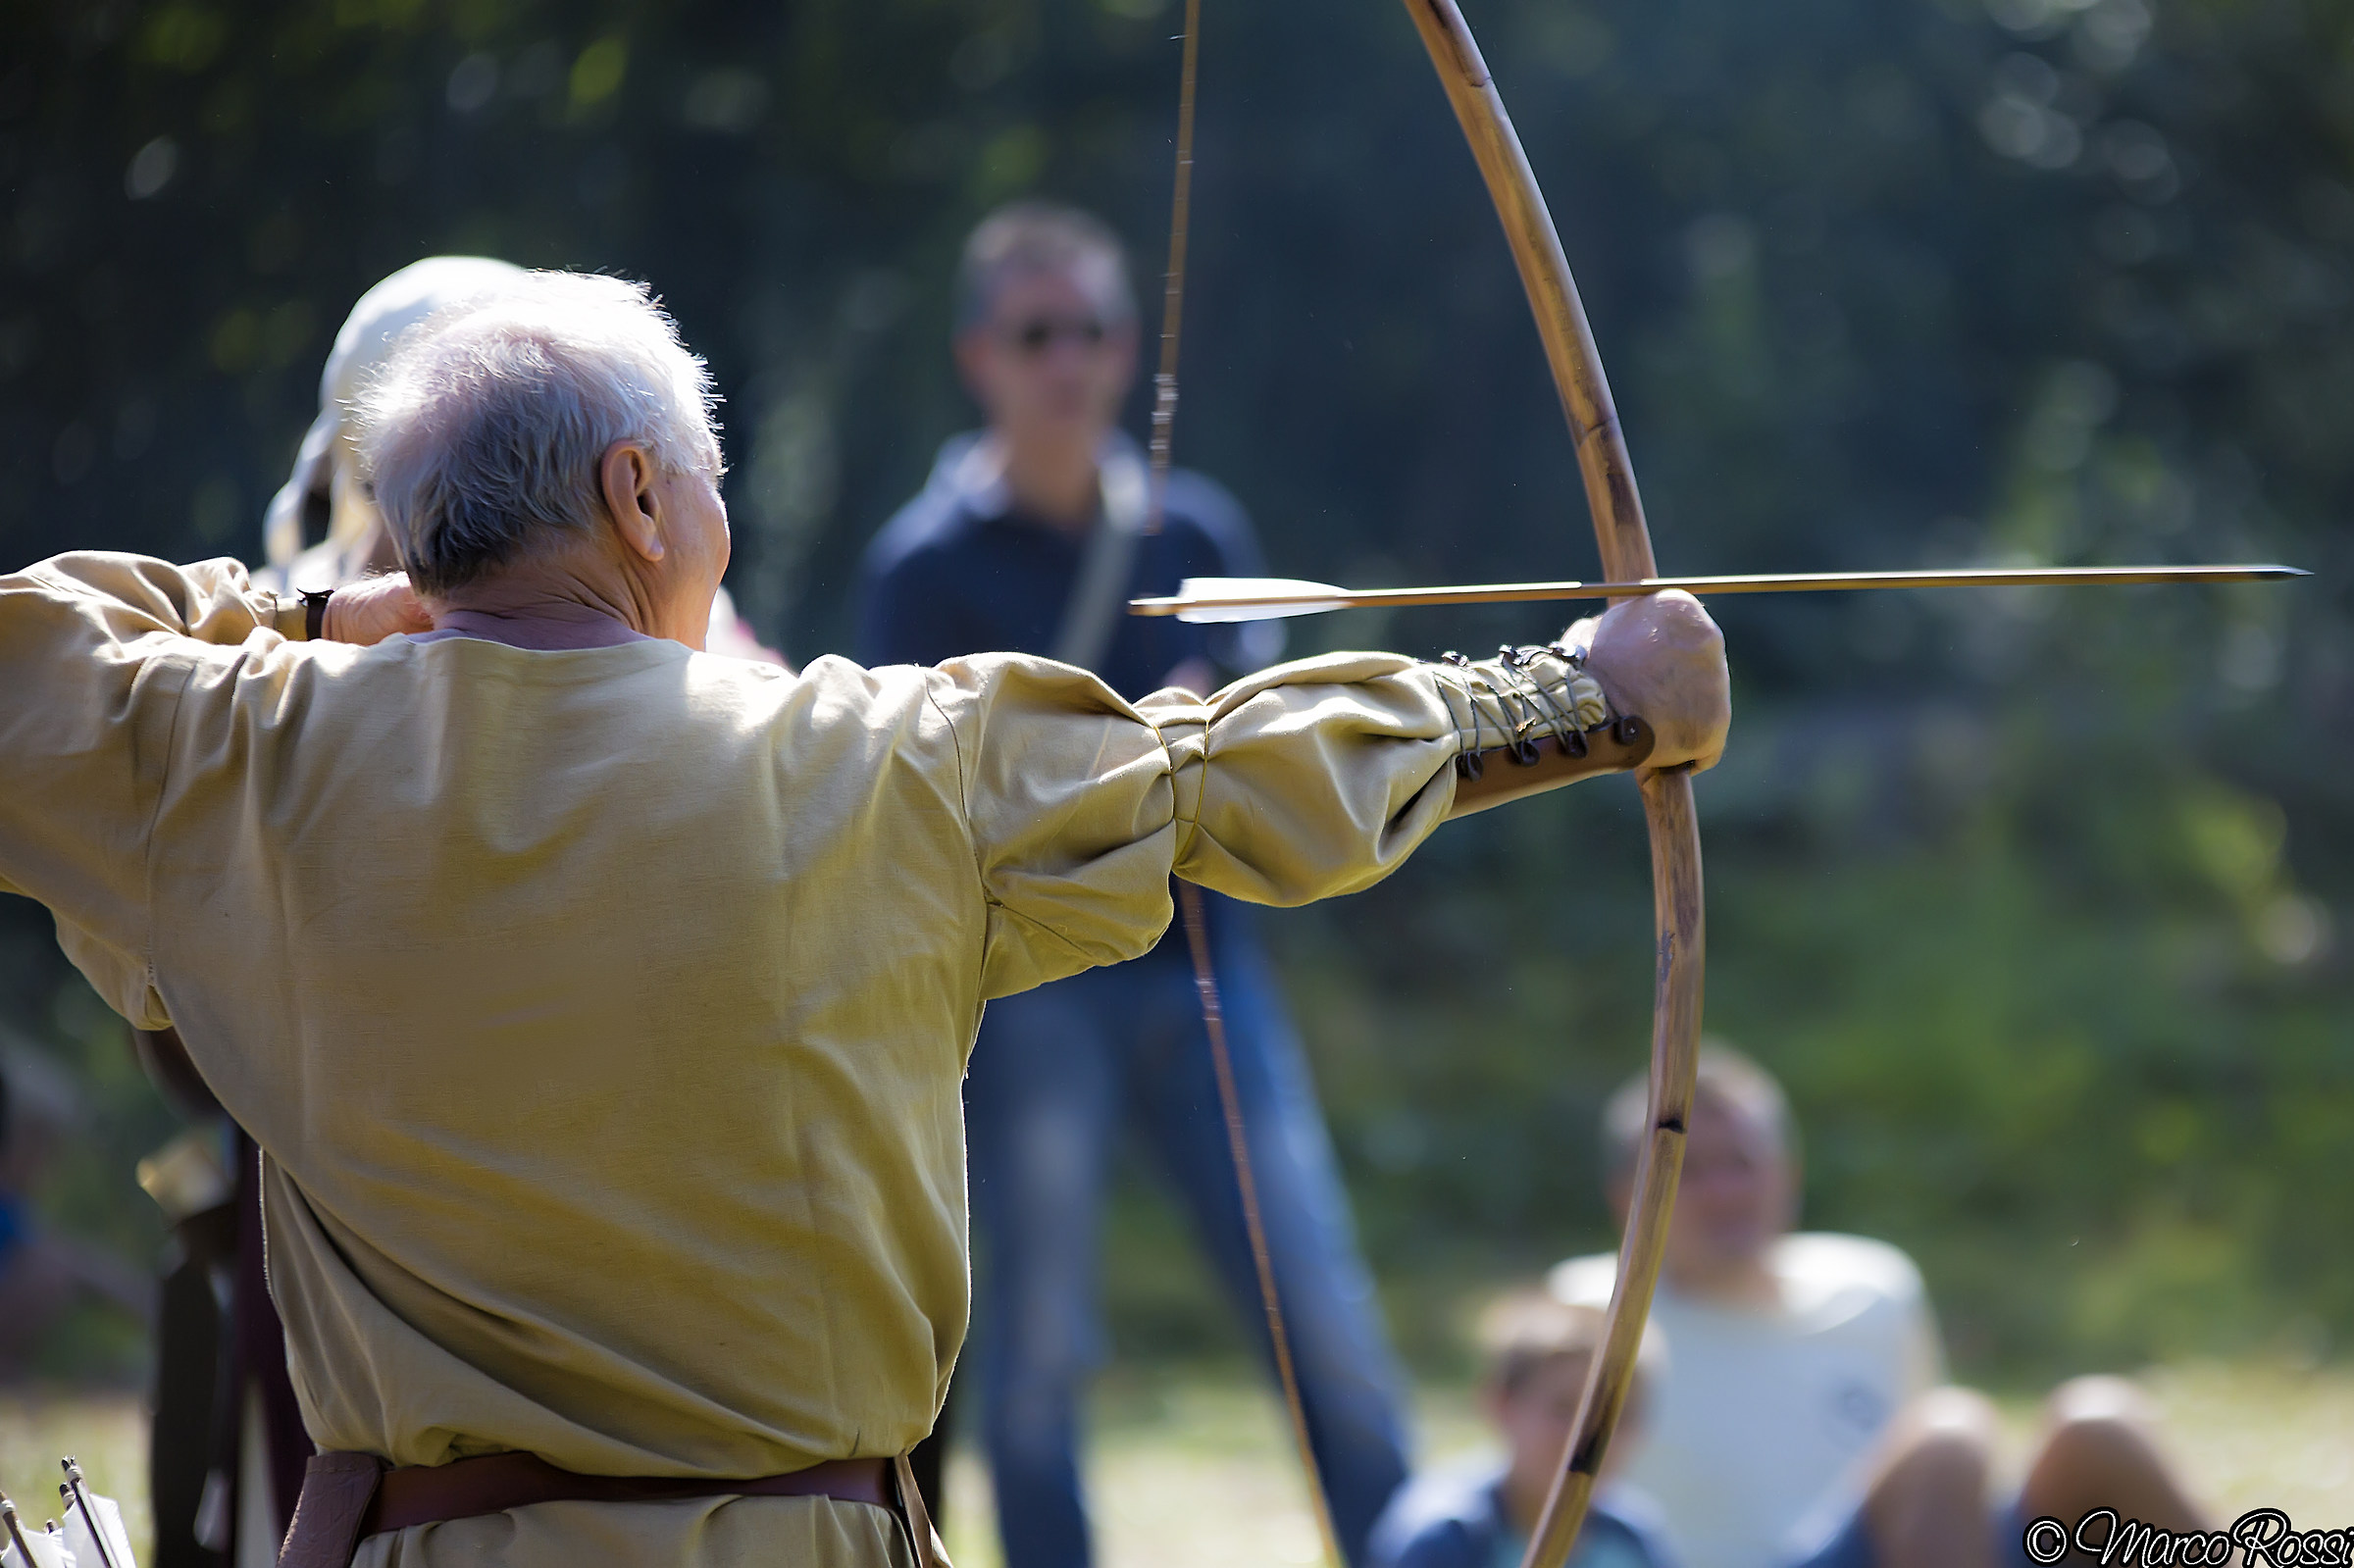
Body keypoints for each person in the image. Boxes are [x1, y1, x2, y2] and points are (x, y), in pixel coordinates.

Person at [0, 267, 1728, 1568]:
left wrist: (319, 612)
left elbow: (39, 643)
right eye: (707, 479)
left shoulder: (222, 755)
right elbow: (1231, 773)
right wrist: (1574, 695)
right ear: (641, 496)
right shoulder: (877, 756)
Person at [856, 200, 1394, 1567]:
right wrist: (1138, 739)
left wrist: (1177, 728)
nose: (1072, 361)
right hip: (1035, 1001)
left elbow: (1267, 738)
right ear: (981, 354)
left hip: (1211, 976)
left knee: (1323, 1318)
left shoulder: (1198, 525)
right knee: (1033, 1363)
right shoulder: (922, 566)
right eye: (1040, 332)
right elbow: (920, 801)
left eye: (1095, 330)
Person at [1550, 1046, 2208, 1568]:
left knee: (2099, 1426)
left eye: (1743, 1162)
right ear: (1625, 1197)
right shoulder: (1592, 1318)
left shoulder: (1872, 1287)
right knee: (1950, 1436)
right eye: (1690, 1170)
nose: (1724, 1191)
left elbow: (1938, 1506)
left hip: (1884, 1545)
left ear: (1790, 1172)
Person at [1368, 1291, 1677, 1568]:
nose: (1591, 1437)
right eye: (1564, 1409)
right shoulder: (1445, 1538)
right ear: (1502, 1404)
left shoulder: (1633, 1539)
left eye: (1619, 1415)